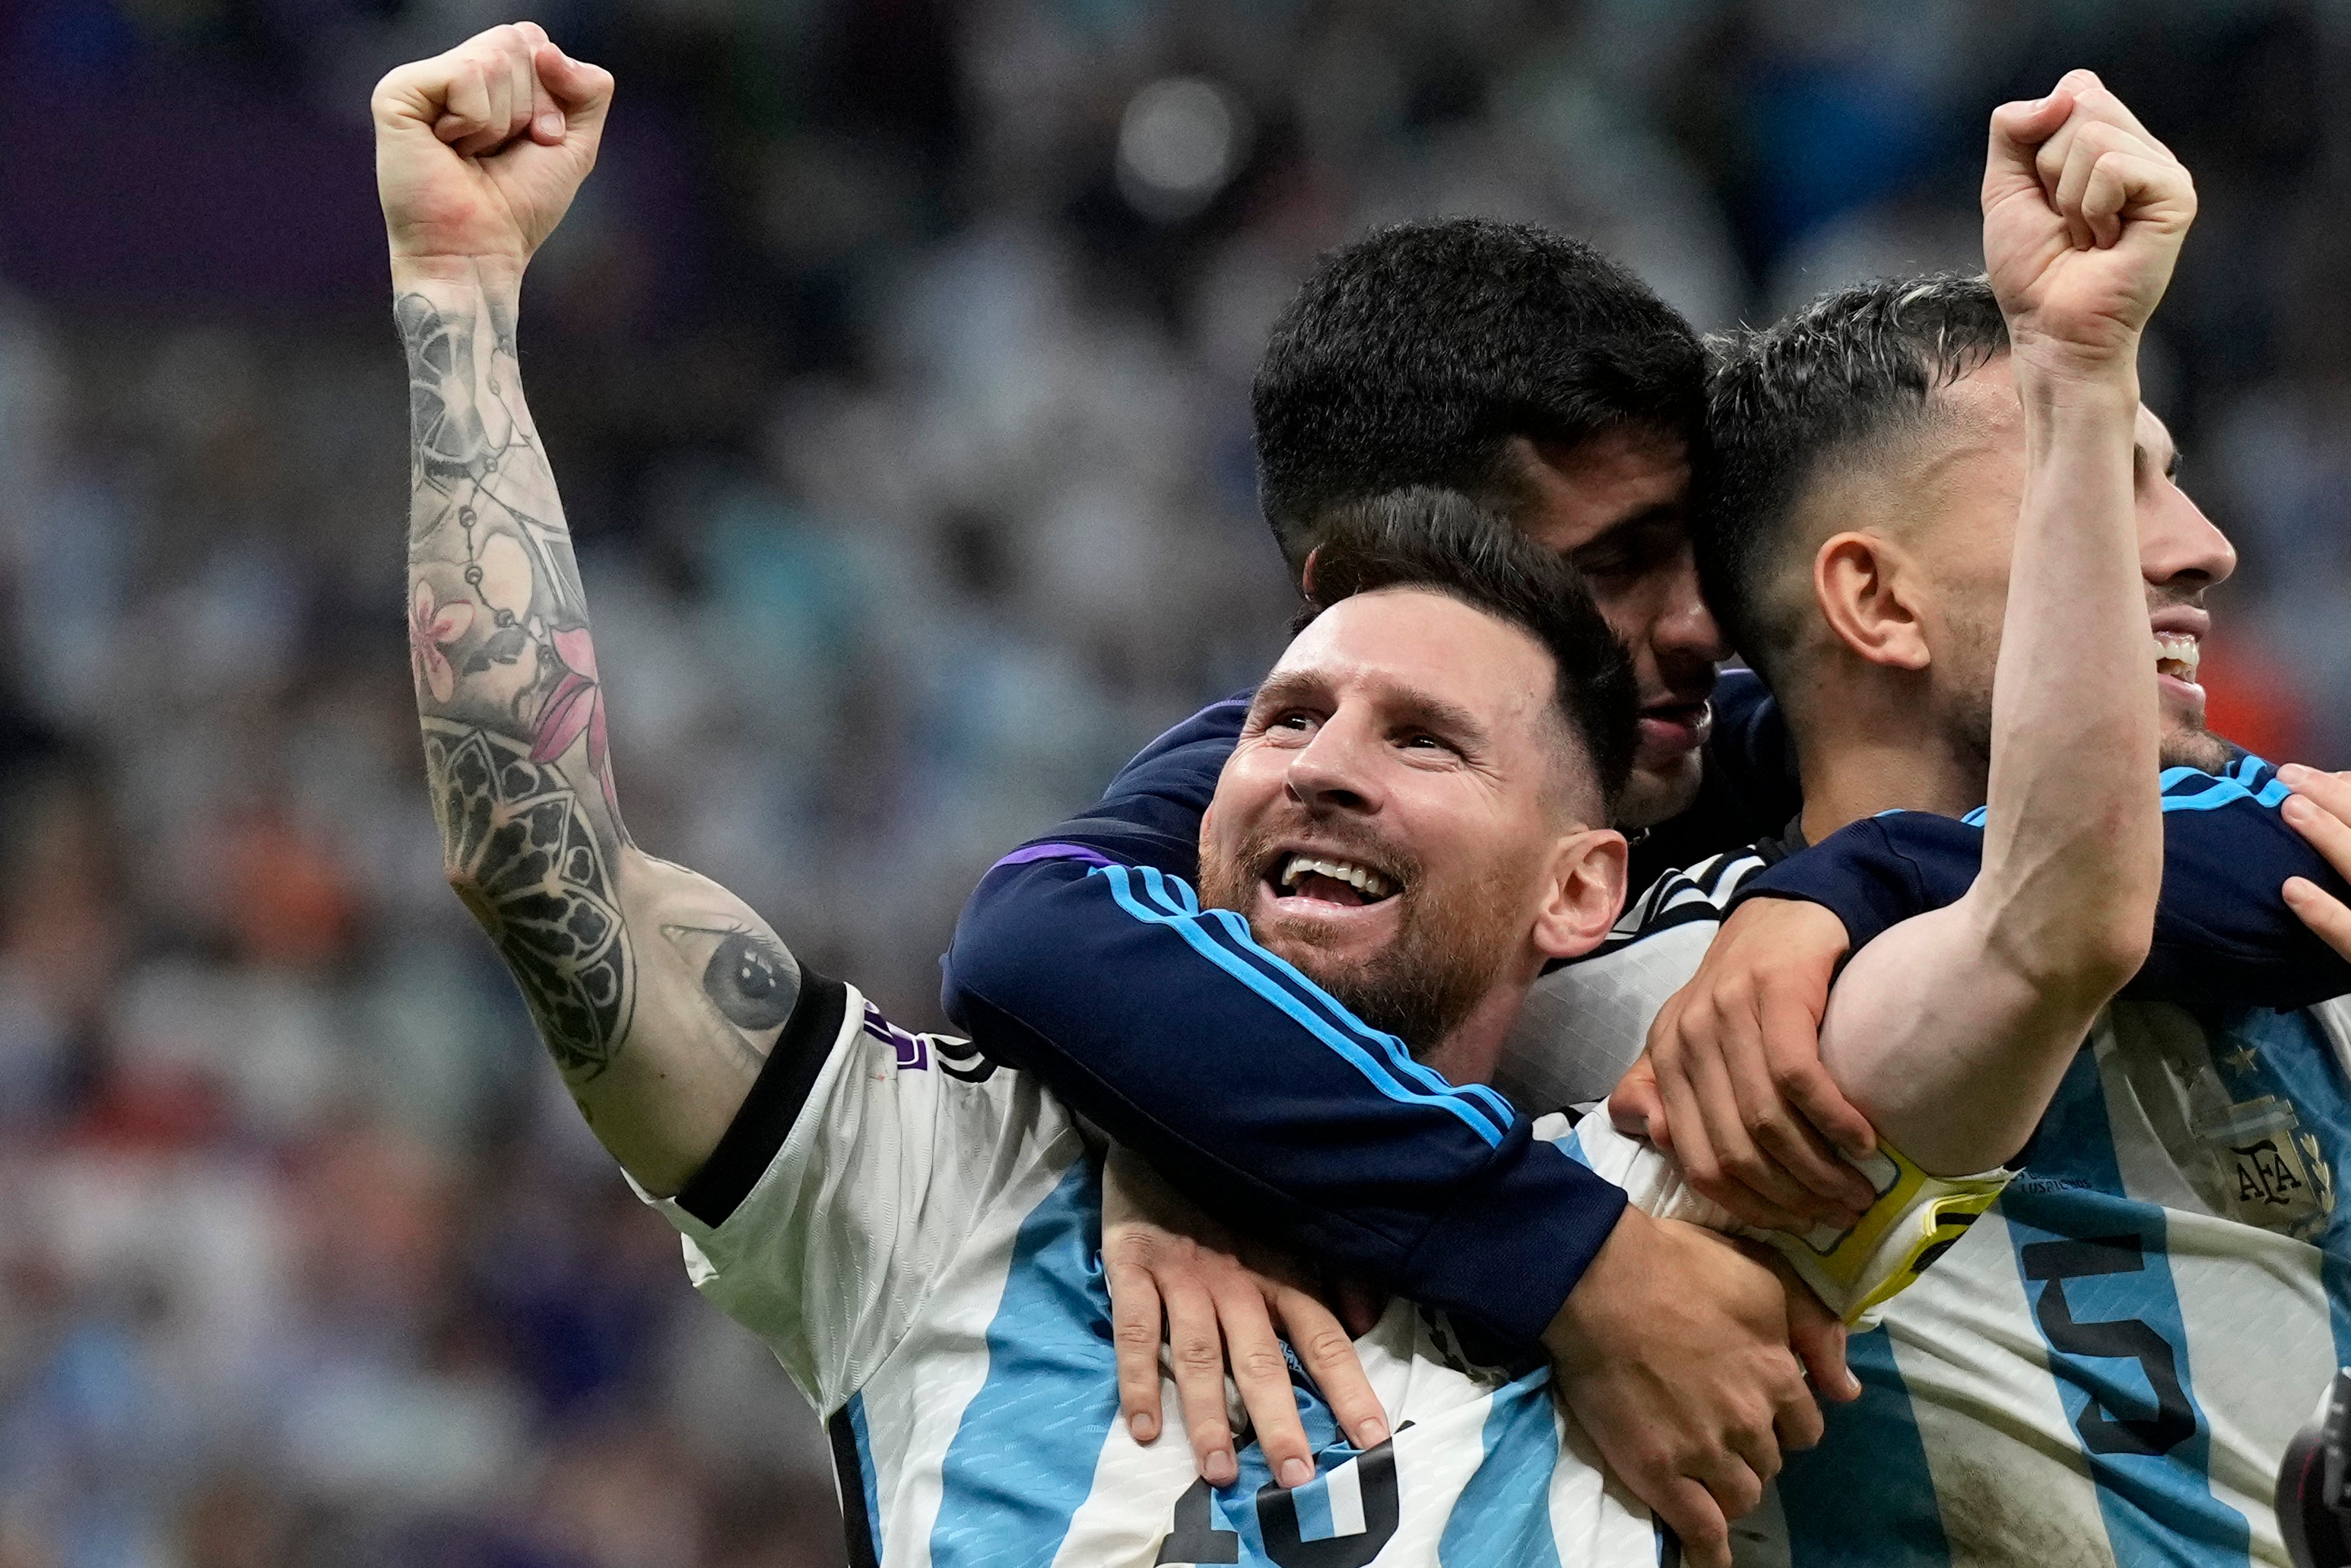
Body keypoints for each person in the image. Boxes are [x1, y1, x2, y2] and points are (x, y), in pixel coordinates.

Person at [373, 27, 2184, 1565]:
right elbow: (545, 869)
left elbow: (2056, 908)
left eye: (1424, 741)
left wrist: (2080, 377)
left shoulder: (1680, 1179)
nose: (1321, 758)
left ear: (1582, 885)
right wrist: (458, 299)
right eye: (1289, 716)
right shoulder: (944, 1187)